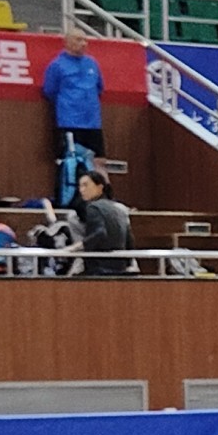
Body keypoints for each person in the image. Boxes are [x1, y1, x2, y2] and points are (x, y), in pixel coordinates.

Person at [40, 27, 105, 191]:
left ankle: (104, 197)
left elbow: (99, 88)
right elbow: (50, 91)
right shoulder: (57, 65)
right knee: (70, 161)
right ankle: (71, 197)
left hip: (93, 122)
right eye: (78, 40)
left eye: (85, 40)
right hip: (69, 121)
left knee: (98, 161)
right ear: (67, 42)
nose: (84, 43)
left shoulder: (92, 63)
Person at [72, 167, 132, 274]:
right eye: (80, 186)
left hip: (98, 268)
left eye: (86, 185)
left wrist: (76, 247)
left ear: (100, 187)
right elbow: (129, 240)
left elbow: (99, 233)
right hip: (120, 267)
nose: (81, 190)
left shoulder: (93, 207)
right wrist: (127, 263)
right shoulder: (119, 209)